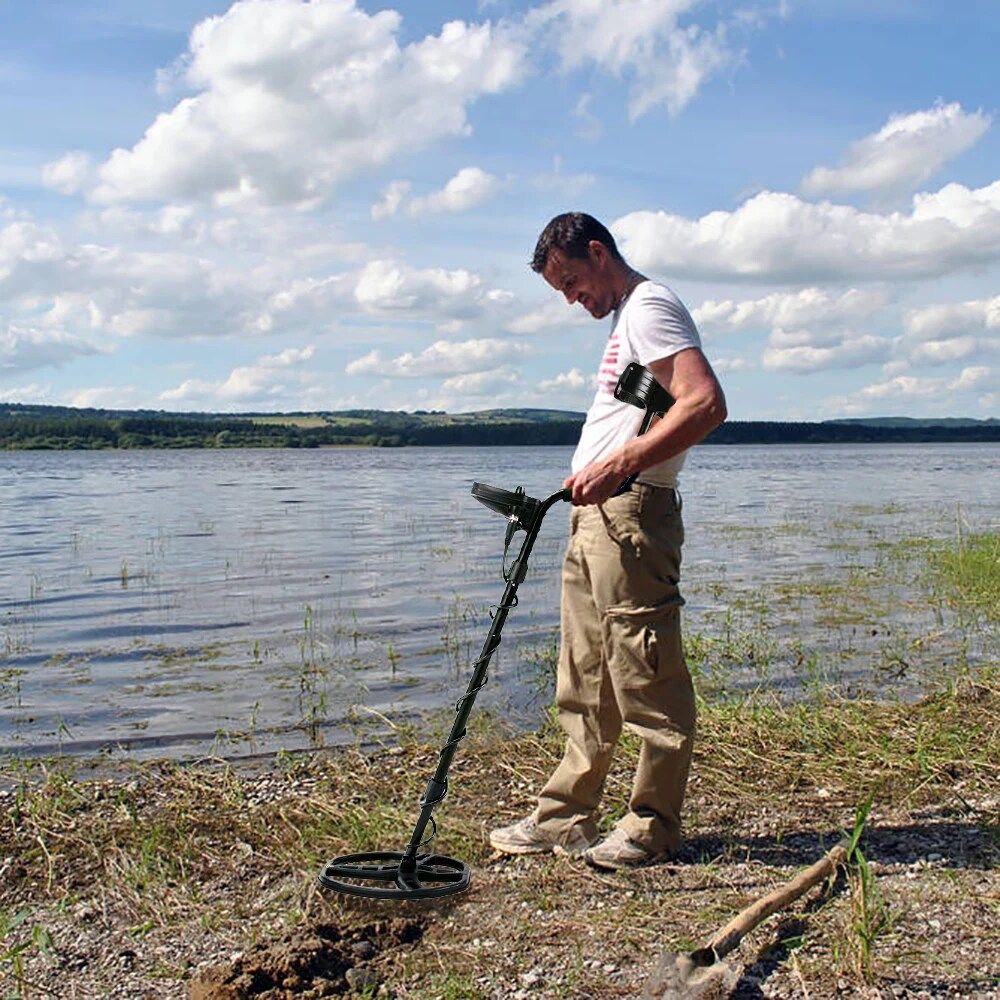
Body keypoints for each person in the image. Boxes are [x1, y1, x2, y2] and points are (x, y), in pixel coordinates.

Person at [489, 212, 727, 870]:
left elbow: (704, 403)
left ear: (599, 253)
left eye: (571, 281)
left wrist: (619, 465)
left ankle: (652, 827)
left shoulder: (650, 305)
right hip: (597, 517)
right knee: (586, 677)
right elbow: (656, 407)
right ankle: (564, 818)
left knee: (646, 674)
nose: (571, 299)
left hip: (631, 515)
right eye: (559, 290)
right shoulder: (628, 317)